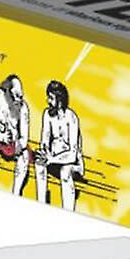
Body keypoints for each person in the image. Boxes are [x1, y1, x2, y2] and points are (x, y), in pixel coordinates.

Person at [34, 80, 83, 210]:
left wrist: (52, 159)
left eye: (51, 98)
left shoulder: (71, 118)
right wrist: (45, 153)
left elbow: (72, 155)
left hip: (72, 164)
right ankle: (40, 204)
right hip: (53, 160)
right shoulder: (47, 114)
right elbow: (44, 140)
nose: (48, 101)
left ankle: (68, 211)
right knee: (39, 164)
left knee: (65, 172)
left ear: (59, 99)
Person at [0, 74, 30, 194]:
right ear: (7, 92)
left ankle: (16, 193)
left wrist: (18, 145)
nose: (18, 100)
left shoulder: (23, 108)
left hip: (15, 143)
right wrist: (2, 137)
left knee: (25, 157)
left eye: (21, 96)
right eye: (16, 96)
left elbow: (24, 137)